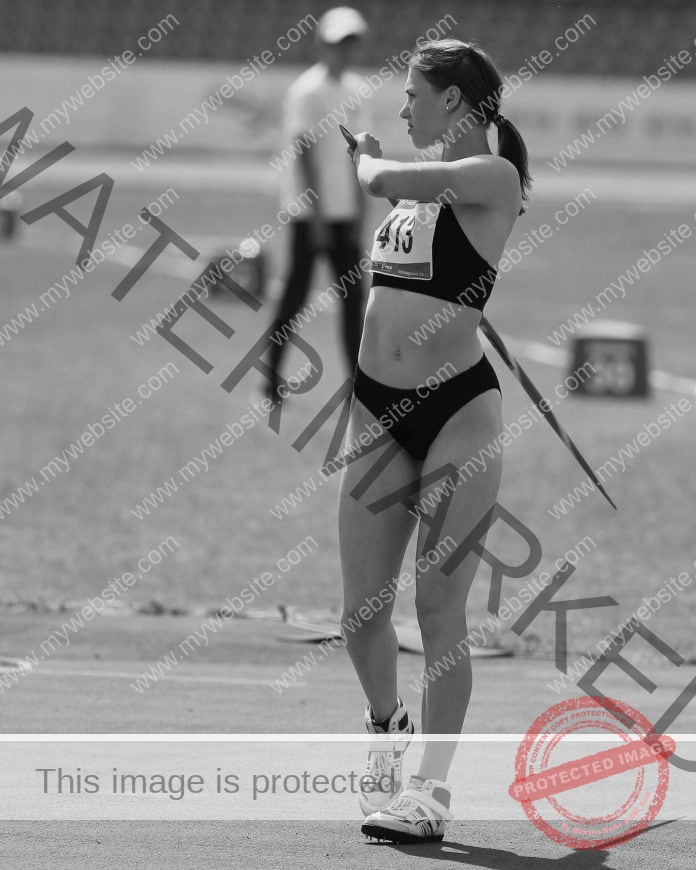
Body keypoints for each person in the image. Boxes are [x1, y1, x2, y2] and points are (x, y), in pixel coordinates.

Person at [338, 38, 532, 843]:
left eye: (414, 93)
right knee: (360, 614)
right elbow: (416, 246)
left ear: (455, 101)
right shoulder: (422, 200)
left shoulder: (494, 176)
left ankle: (432, 795)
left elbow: (380, 179)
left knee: (438, 604)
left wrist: (369, 163)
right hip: (376, 409)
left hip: (457, 411)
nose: (404, 107)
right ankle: (388, 726)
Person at [267, 7, 370, 402]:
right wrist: (318, 215)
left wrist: (361, 208)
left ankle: (358, 386)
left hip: (345, 213)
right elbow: (304, 154)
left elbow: (361, 151)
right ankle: (271, 378)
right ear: (323, 44)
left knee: (354, 302)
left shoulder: (357, 89)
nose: (344, 51)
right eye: (337, 43)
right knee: (295, 296)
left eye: (350, 43)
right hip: (311, 216)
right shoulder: (306, 90)